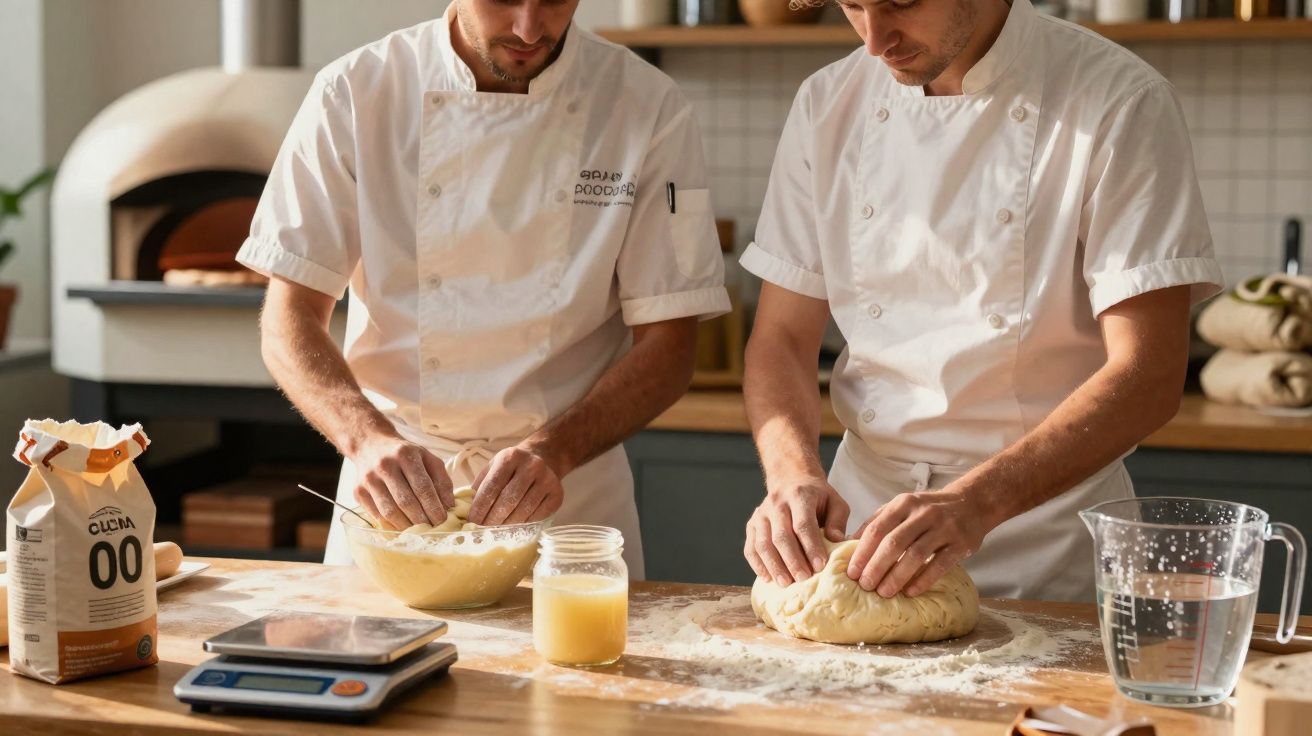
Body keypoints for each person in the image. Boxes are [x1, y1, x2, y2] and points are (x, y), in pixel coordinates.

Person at [740, 0, 1223, 601]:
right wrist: (791, 475)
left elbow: (1148, 373)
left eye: (900, 3)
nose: (874, 40)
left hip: (1044, 543)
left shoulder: (1117, 99)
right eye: (853, 6)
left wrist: (975, 503)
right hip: (859, 540)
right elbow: (782, 339)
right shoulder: (826, 103)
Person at [239, 0, 730, 574]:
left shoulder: (647, 106)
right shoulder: (356, 92)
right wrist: (365, 438)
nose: (528, 29)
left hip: (569, 505)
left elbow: (670, 345)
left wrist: (557, 449)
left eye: (553, 0)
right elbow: (288, 319)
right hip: (396, 501)